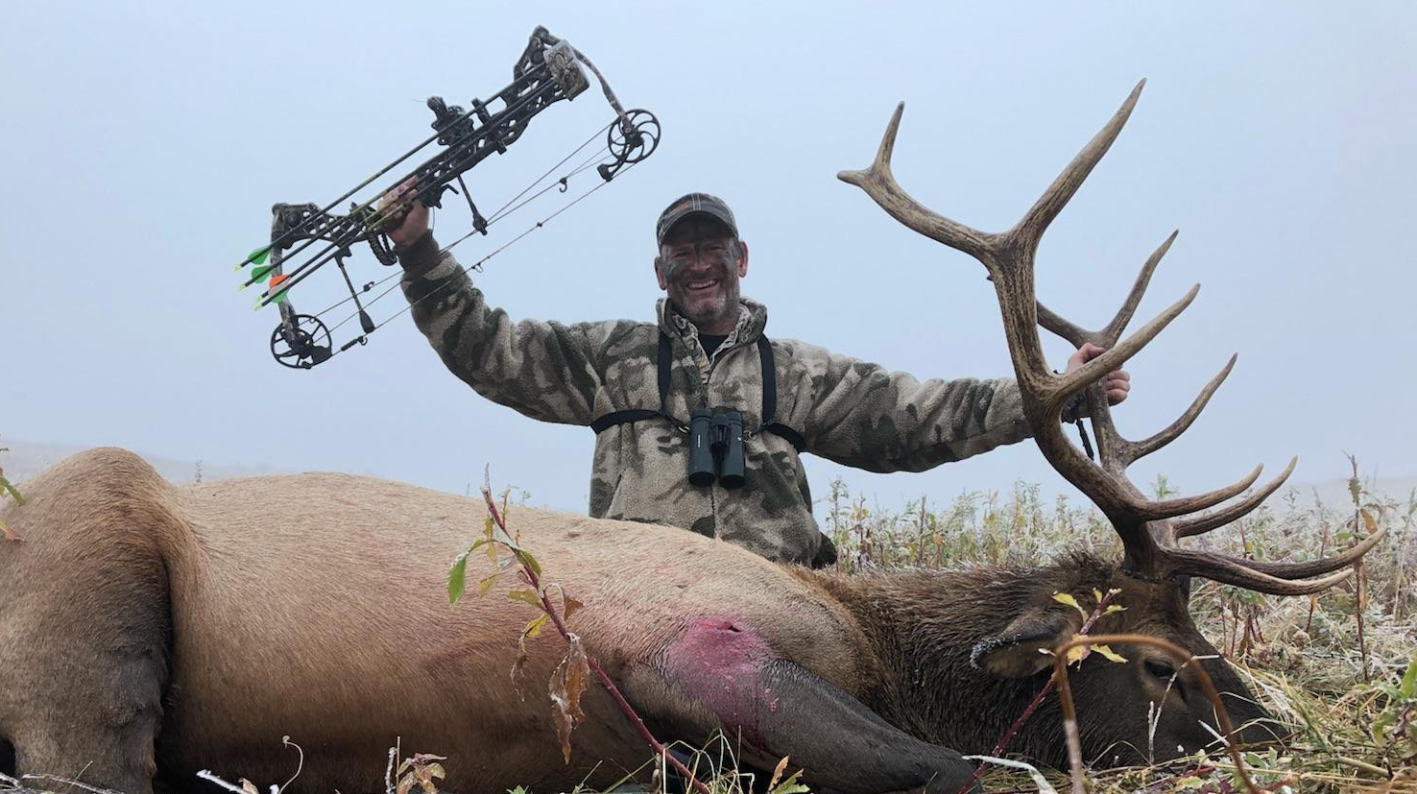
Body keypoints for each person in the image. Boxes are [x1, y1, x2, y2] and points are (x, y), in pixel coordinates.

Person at [387, 191, 1129, 566]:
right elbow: (489, 349)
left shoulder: (798, 373)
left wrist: (1054, 392)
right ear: (660, 269)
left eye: (712, 248)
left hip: (781, 608)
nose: (698, 263)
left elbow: (922, 415)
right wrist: (420, 253)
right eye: (682, 252)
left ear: (741, 260)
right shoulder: (607, 358)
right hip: (640, 606)